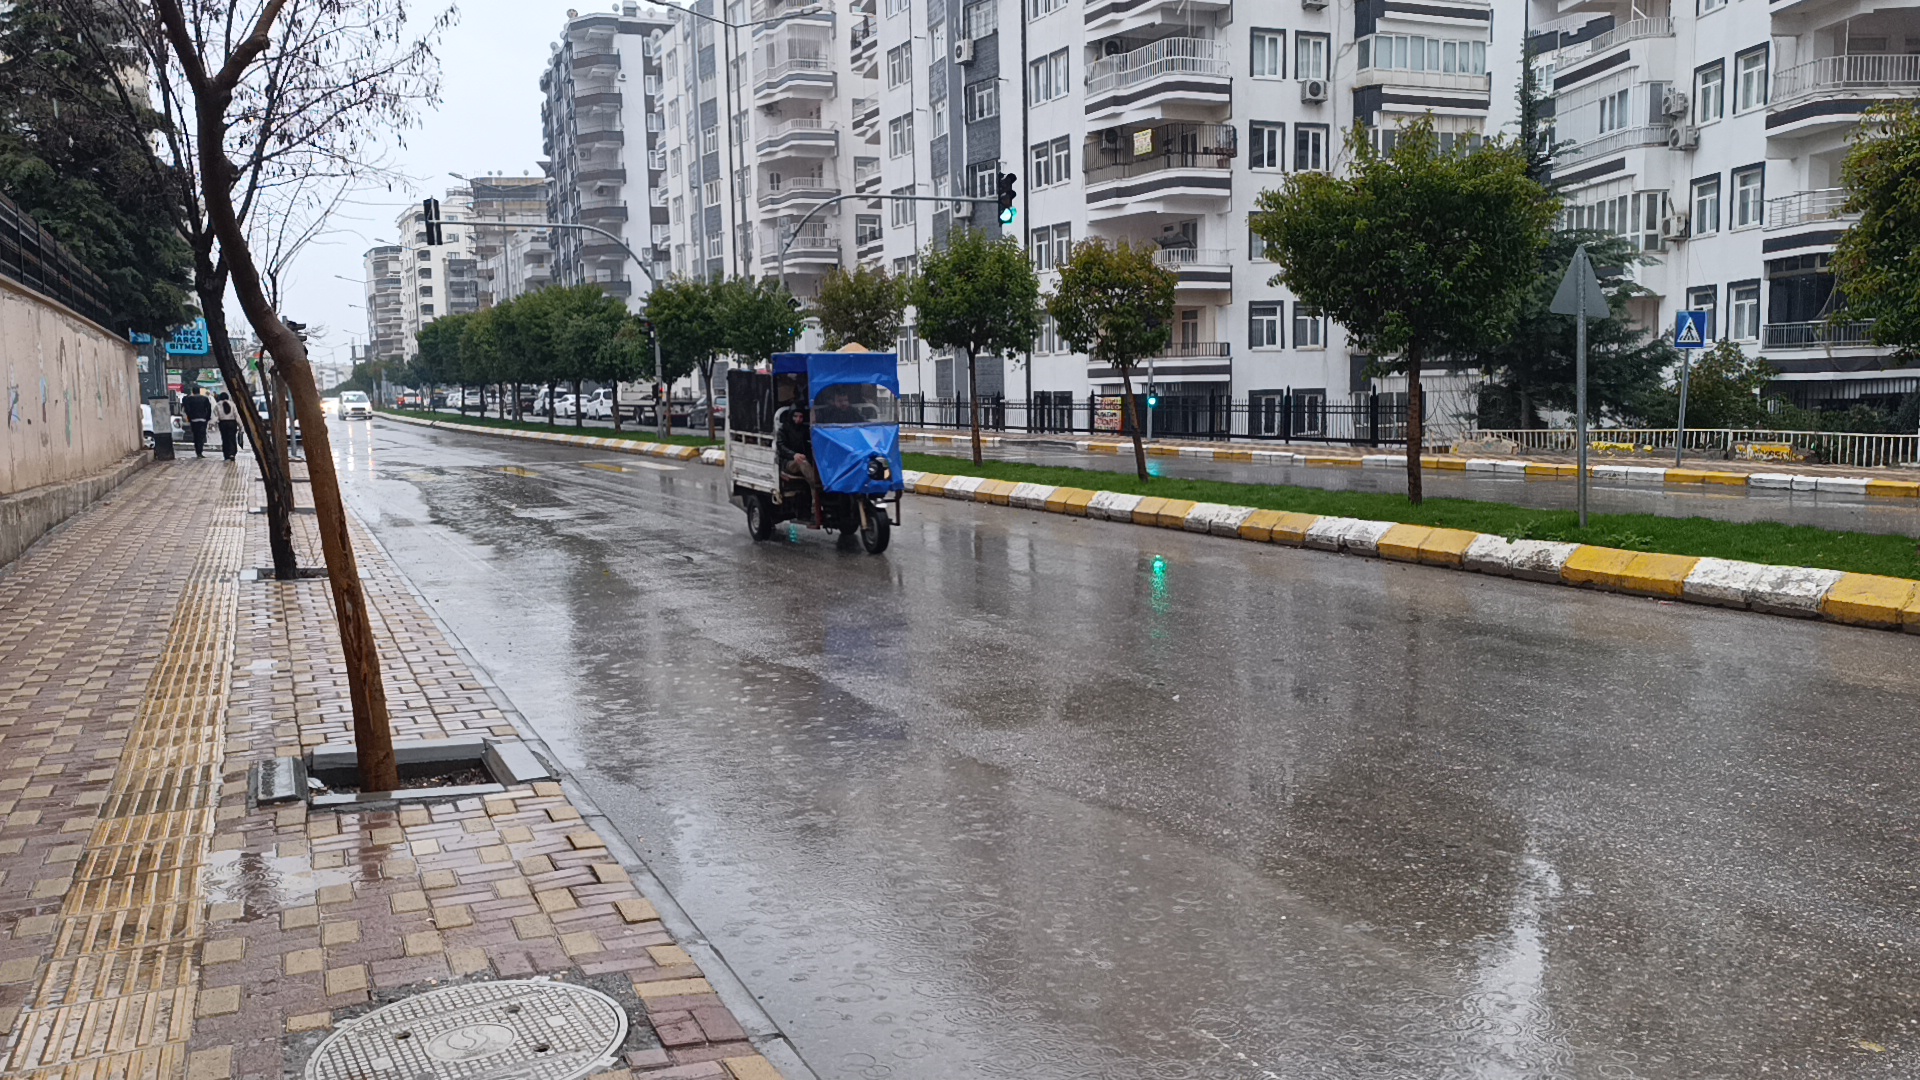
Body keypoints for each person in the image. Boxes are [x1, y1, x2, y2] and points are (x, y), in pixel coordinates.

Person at [775, 403, 823, 527]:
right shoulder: (783, 429)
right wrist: (794, 455)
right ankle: (817, 485)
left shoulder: (804, 430)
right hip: (788, 463)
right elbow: (781, 446)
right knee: (803, 464)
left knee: (807, 462)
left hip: (804, 461)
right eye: (795, 416)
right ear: (791, 416)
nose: (798, 420)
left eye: (801, 417)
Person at [180, 386, 213, 457]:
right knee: (201, 436)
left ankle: (198, 452)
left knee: (196, 436)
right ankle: (200, 451)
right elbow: (209, 409)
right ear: (199, 391)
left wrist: (190, 416)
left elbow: (187, 408)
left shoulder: (189, 399)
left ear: (193, 391)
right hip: (203, 420)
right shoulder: (204, 399)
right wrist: (207, 418)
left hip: (194, 420)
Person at [213, 393, 240, 460]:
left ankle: (226, 454)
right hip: (232, 423)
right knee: (232, 438)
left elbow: (216, 416)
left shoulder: (217, 405)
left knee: (225, 439)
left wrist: (213, 424)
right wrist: (240, 425)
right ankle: (232, 453)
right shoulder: (232, 404)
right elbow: (236, 415)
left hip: (223, 423)